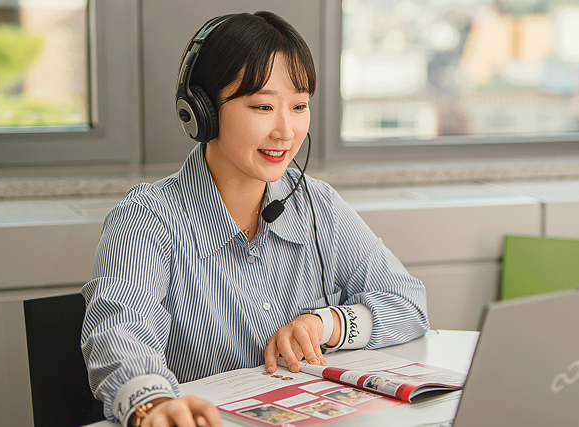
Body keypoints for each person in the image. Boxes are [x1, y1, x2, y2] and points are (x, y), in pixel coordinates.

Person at [81, 11, 429, 427]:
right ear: (201, 111)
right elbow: (120, 332)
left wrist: (326, 324)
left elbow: (409, 303)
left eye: (299, 106)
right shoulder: (148, 218)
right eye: (263, 106)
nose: (286, 131)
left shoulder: (318, 206)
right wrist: (154, 404)